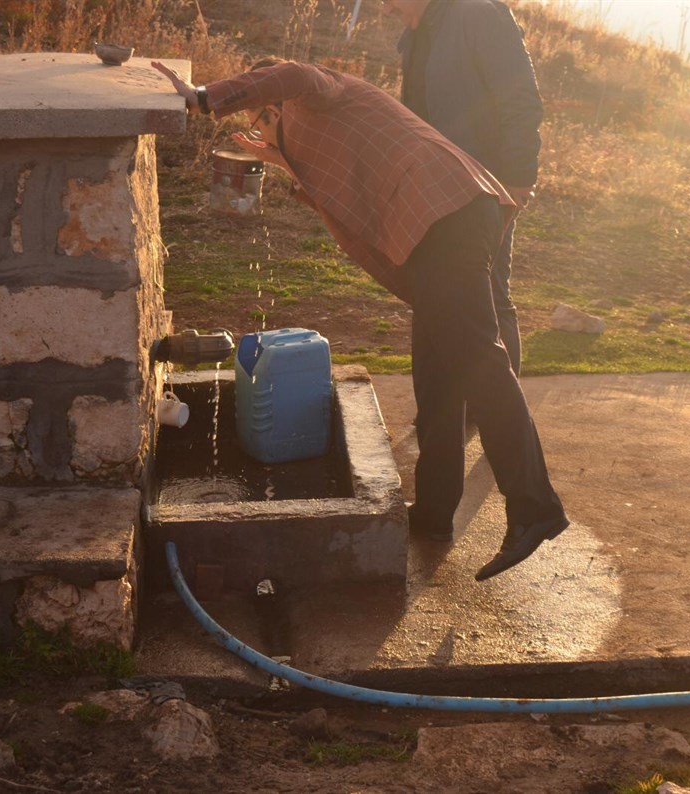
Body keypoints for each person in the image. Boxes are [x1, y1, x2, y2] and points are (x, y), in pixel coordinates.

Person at [152, 58, 567, 581]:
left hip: (447, 214)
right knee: (439, 376)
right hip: (446, 218)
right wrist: (284, 162)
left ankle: (535, 509)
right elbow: (341, 184)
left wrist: (205, 96)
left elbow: (293, 74)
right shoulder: (318, 126)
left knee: (481, 362)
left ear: (271, 101)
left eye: (259, 118)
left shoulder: (315, 89)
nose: (259, 130)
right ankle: (437, 514)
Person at [383, 0, 545, 376]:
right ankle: (451, 404)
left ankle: (502, 409)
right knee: (443, 296)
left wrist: (519, 181)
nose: (386, 8)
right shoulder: (416, 36)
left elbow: (521, 101)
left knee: (490, 295)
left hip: (488, 189)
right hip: (436, 192)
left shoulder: (479, 14)